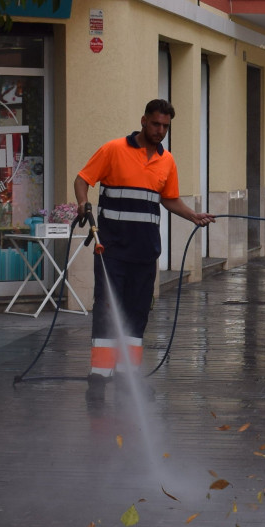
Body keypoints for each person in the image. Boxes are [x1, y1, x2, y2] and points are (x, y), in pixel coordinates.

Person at [74, 99, 215, 402]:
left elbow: (169, 198)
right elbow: (82, 179)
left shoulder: (167, 161)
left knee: (137, 315)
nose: (160, 131)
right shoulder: (113, 150)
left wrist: (194, 216)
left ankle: (127, 378)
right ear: (143, 120)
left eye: (165, 126)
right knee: (108, 309)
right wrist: (83, 203)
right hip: (111, 250)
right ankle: (98, 378)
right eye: (155, 124)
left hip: (145, 252)